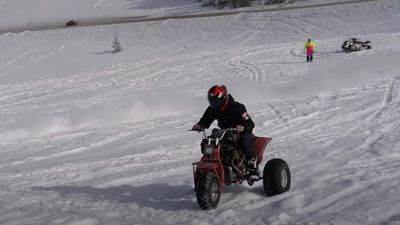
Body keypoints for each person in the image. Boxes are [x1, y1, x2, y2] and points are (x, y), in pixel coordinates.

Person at [192, 85, 259, 180]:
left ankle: (251, 166)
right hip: (224, 132)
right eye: (212, 101)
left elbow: (250, 123)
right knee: (208, 141)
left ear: (224, 98)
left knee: (244, 139)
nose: (214, 104)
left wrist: (243, 126)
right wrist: (200, 125)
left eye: (216, 101)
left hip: (240, 131)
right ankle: (211, 163)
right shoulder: (213, 108)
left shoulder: (238, 107)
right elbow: (205, 120)